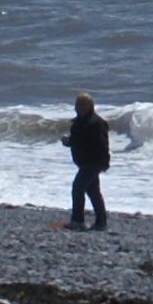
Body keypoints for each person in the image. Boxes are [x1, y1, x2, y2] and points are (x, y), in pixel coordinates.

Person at [65, 93, 113, 230]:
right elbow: (77, 142)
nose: (81, 107)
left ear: (90, 106)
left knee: (78, 187)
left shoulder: (96, 123)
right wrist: (68, 142)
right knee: (93, 191)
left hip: (94, 161)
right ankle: (101, 222)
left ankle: (77, 220)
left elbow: (103, 143)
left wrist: (105, 161)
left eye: (84, 104)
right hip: (83, 161)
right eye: (78, 104)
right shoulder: (77, 123)